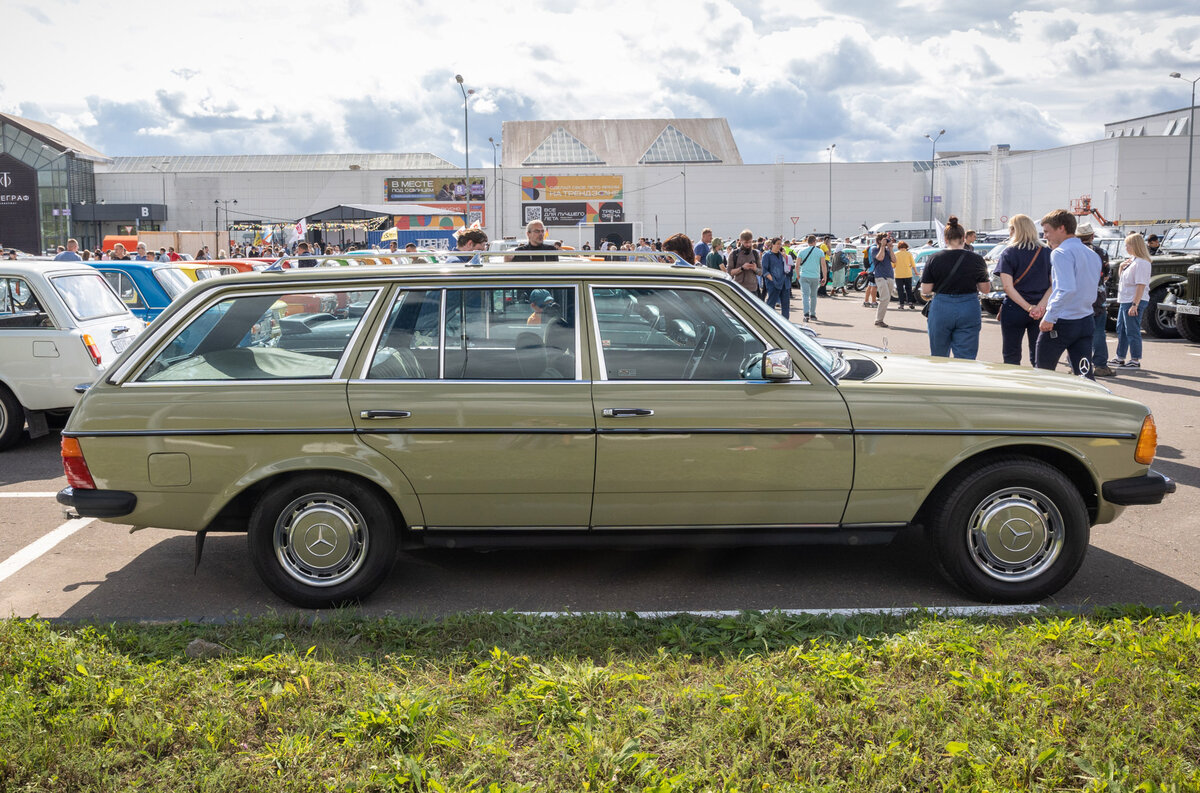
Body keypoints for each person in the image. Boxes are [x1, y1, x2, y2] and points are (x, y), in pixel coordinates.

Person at [1036, 209, 1102, 379]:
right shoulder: (1092, 254)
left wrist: (1050, 316)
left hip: (1063, 321)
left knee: (1043, 373)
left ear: (1062, 228)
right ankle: (1091, 404)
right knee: (1085, 374)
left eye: (1047, 231)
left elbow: (1066, 288)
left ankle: (1044, 405)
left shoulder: (1060, 253)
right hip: (1085, 319)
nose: (1045, 236)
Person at [920, 216, 990, 358]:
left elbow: (926, 289)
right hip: (969, 306)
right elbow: (985, 289)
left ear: (945, 239)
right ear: (964, 238)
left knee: (939, 355)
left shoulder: (934, 258)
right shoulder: (976, 259)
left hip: (941, 307)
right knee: (966, 357)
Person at [994, 214, 1052, 366]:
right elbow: (1054, 285)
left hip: (1014, 308)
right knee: (1039, 355)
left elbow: (1007, 286)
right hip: (1041, 310)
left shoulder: (1009, 252)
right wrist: (1039, 307)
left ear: (1014, 230)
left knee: (1011, 355)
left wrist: (1028, 307)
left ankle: (1014, 387)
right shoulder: (1047, 252)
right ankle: (1038, 386)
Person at [1109, 232, 1152, 369]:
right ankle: (1120, 357)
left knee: (1132, 330)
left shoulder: (1142, 263)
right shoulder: (1133, 260)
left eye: (1127, 244)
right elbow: (1124, 280)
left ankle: (1135, 359)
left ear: (1135, 245)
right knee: (1121, 328)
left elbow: (1141, 285)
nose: (1126, 247)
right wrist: (1122, 267)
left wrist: (1135, 304)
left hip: (1133, 300)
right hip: (1126, 299)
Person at [1076, 222, 1114, 377]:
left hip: (1077, 296)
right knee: (1099, 332)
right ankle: (1101, 365)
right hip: (1098, 296)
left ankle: (1077, 364)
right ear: (1092, 236)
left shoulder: (1073, 251)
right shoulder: (1101, 252)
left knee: (1077, 332)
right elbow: (1106, 274)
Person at [794, 234, 825, 321]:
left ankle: (806, 313)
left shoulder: (801, 251)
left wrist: (797, 275)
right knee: (813, 296)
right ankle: (813, 314)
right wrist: (825, 277)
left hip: (804, 275)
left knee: (805, 295)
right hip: (815, 276)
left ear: (807, 242)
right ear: (815, 242)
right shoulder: (820, 252)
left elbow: (797, 265)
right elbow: (823, 265)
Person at [869, 233, 896, 327]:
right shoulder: (874, 249)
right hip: (880, 276)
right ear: (880, 240)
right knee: (884, 298)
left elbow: (894, 260)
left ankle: (880, 319)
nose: (887, 241)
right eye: (885, 239)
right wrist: (882, 247)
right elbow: (880, 258)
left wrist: (890, 248)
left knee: (887, 299)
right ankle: (879, 320)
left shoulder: (888, 250)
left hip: (890, 276)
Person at [761, 237, 791, 319]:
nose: (779, 246)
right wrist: (772, 279)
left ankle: (786, 323)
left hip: (785, 283)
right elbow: (764, 270)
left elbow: (790, 266)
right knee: (771, 304)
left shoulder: (782, 255)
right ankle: (769, 321)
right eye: (777, 244)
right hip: (773, 283)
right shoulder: (767, 255)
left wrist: (786, 257)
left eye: (780, 244)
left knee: (785, 305)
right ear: (772, 245)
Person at [726, 230, 761, 296]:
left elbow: (761, 272)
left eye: (750, 242)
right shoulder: (734, 254)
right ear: (740, 241)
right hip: (739, 289)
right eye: (746, 242)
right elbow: (729, 272)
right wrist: (742, 268)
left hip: (753, 290)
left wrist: (755, 269)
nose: (748, 244)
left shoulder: (755, 253)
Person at [893, 241, 917, 309]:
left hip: (898, 274)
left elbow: (893, 265)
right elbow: (913, 264)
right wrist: (916, 272)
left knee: (900, 290)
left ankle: (901, 304)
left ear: (899, 247)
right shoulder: (909, 254)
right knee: (908, 289)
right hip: (908, 274)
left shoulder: (896, 254)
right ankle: (910, 302)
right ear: (906, 247)